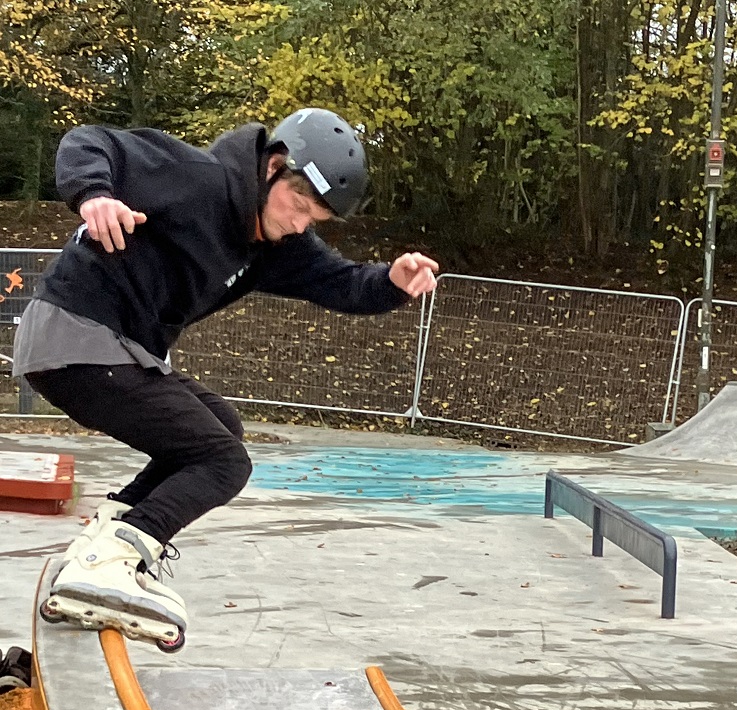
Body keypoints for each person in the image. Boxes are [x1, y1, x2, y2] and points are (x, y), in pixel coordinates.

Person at [14, 108, 438, 651]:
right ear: (273, 167)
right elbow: (91, 141)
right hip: (77, 335)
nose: (300, 223)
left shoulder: (273, 246)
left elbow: (341, 283)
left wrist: (392, 283)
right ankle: (118, 558)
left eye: (315, 219)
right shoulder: (198, 177)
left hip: (118, 350)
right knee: (224, 461)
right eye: (299, 205)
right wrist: (94, 194)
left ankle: (103, 542)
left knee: (220, 425)